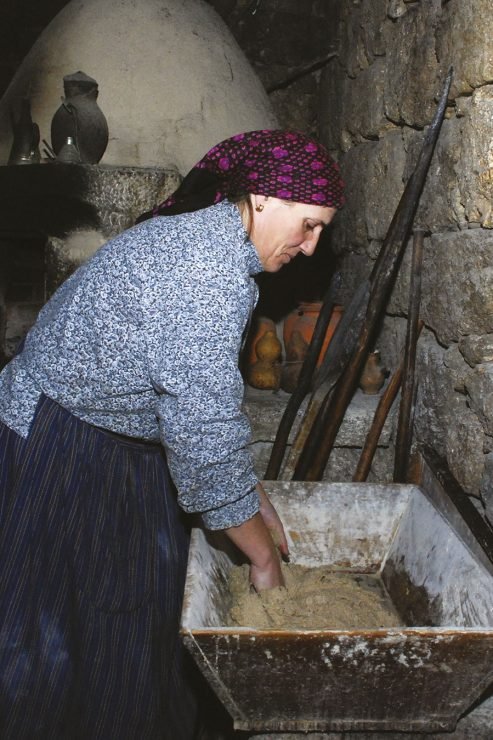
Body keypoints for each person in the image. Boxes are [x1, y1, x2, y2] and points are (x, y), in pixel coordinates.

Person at [0, 129, 345, 739]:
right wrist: (264, 559)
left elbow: (207, 408)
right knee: (74, 636)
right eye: (309, 225)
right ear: (263, 198)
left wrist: (250, 492)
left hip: (103, 434)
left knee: (134, 613)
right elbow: (202, 442)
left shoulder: (209, 241)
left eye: (322, 230)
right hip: (64, 443)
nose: (312, 246)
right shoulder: (204, 273)